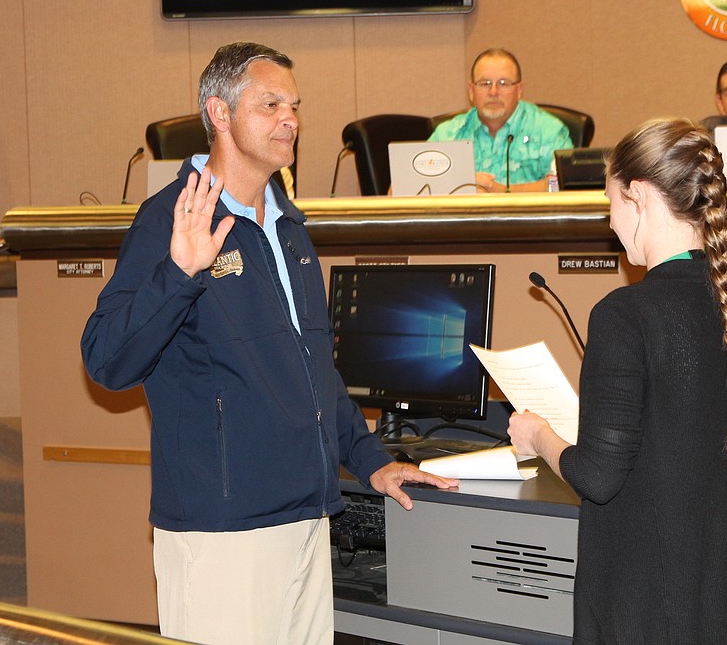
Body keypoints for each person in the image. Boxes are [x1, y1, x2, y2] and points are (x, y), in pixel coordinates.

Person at [81, 42, 457, 645]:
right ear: (220, 114)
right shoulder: (170, 219)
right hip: (224, 529)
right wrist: (178, 275)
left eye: (296, 105)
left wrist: (372, 461)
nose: (292, 120)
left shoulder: (288, 225)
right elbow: (106, 360)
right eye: (271, 104)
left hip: (306, 517)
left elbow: (316, 373)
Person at [507, 118, 727, 643]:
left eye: (610, 204)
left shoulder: (624, 315)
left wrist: (537, 436)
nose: (611, 224)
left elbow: (598, 475)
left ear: (637, 195)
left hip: (654, 607)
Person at [429, 48, 573, 192]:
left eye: (503, 83)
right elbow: (421, 186)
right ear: (471, 91)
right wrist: (464, 187)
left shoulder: (548, 131)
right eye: (485, 83)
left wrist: (502, 191)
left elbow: (563, 184)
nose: (493, 92)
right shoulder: (446, 135)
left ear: (519, 90)